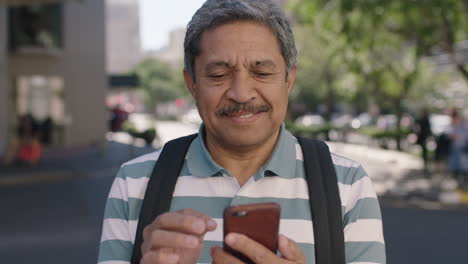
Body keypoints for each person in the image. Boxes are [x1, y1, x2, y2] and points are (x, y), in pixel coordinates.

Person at [98, 1, 385, 263]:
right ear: (192, 84)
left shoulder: (347, 186)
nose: (241, 93)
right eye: (218, 75)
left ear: (289, 79)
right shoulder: (134, 184)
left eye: (261, 73)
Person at [446, 110, 468, 184]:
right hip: (454, 148)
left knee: (464, 164)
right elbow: (449, 136)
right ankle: (458, 179)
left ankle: (463, 179)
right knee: (455, 165)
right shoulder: (452, 126)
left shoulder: (463, 126)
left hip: (462, 148)